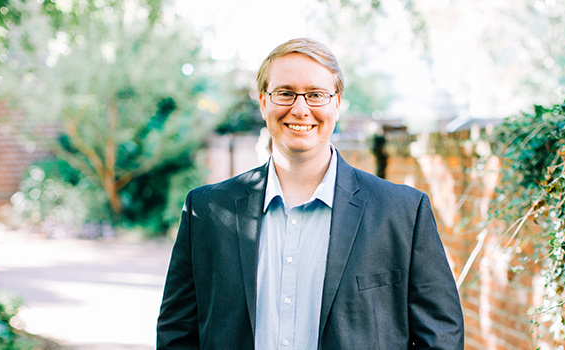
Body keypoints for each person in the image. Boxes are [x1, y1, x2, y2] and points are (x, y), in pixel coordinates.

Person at [157, 38, 464, 349]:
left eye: (316, 94)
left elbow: (440, 337)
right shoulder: (207, 211)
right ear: (264, 102)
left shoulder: (402, 213)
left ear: (337, 103)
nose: (300, 109)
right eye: (285, 93)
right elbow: (176, 333)